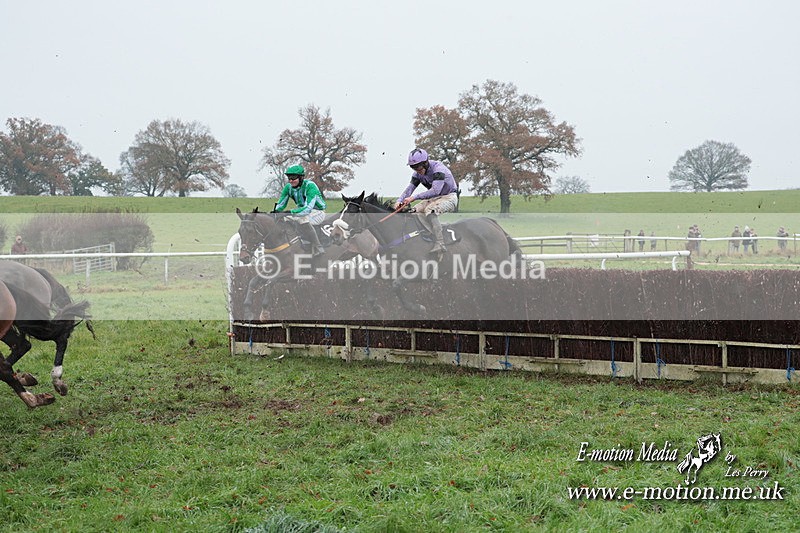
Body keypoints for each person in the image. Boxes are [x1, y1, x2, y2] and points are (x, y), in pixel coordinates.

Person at [394, 148, 459, 256]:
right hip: (435, 199)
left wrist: (413, 198)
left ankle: (440, 242)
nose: (416, 170)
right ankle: (428, 233)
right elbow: (410, 189)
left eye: (418, 166)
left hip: (449, 197)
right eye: (413, 167)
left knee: (430, 210)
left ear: (425, 162)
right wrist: (399, 201)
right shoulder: (417, 174)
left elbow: (435, 190)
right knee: (413, 211)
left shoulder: (438, 169)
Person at [274, 164, 327, 256]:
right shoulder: (288, 187)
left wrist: (290, 212)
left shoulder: (310, 186)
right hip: (301, 211)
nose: (291, 181)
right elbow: (281, 204)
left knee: (302, 219)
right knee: (282, 219)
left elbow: (307, 209)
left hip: (317, 211)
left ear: (301, 177)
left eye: (293, 178)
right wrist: (276, 212)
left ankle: (318, 247)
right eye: (289, 178)